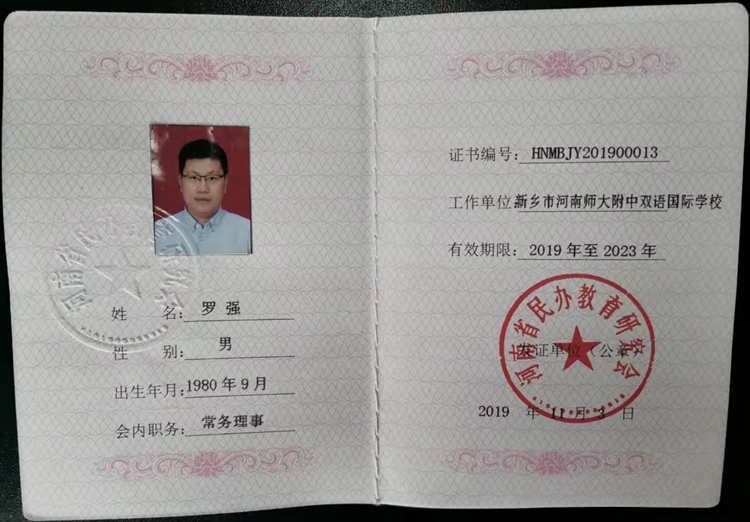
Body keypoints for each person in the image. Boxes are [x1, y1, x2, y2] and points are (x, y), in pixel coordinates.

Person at [154, 139, 251, 255]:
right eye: (194, 178)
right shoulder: (158, 232)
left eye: (212, 178)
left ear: (225, 182)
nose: (203, 189)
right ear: (181, 182)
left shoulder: (247, 232)